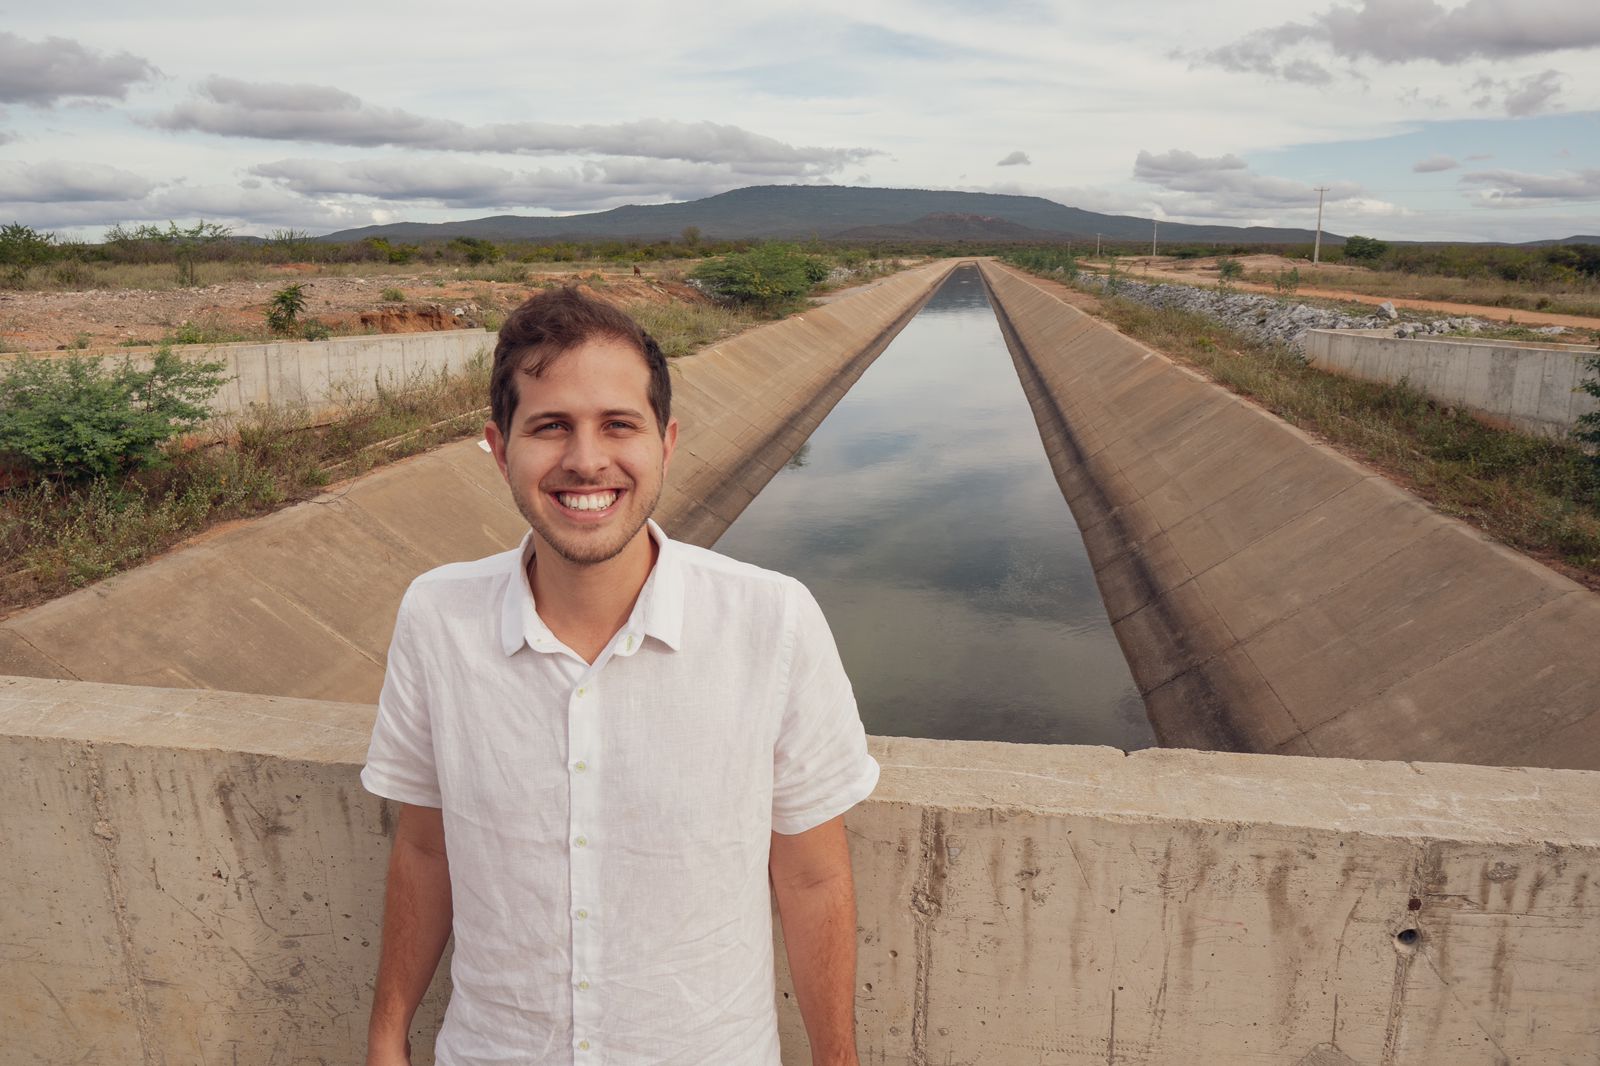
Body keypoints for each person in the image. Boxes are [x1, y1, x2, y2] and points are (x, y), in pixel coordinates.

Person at [361, 287, 880, 1065]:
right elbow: (426, 851)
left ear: (666, 443)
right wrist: (386, 1038)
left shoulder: (770, 622)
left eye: (618, 425)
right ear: (501, 449)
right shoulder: (439, 620)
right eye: (550, 427)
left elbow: (810, 878)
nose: (586, 460)